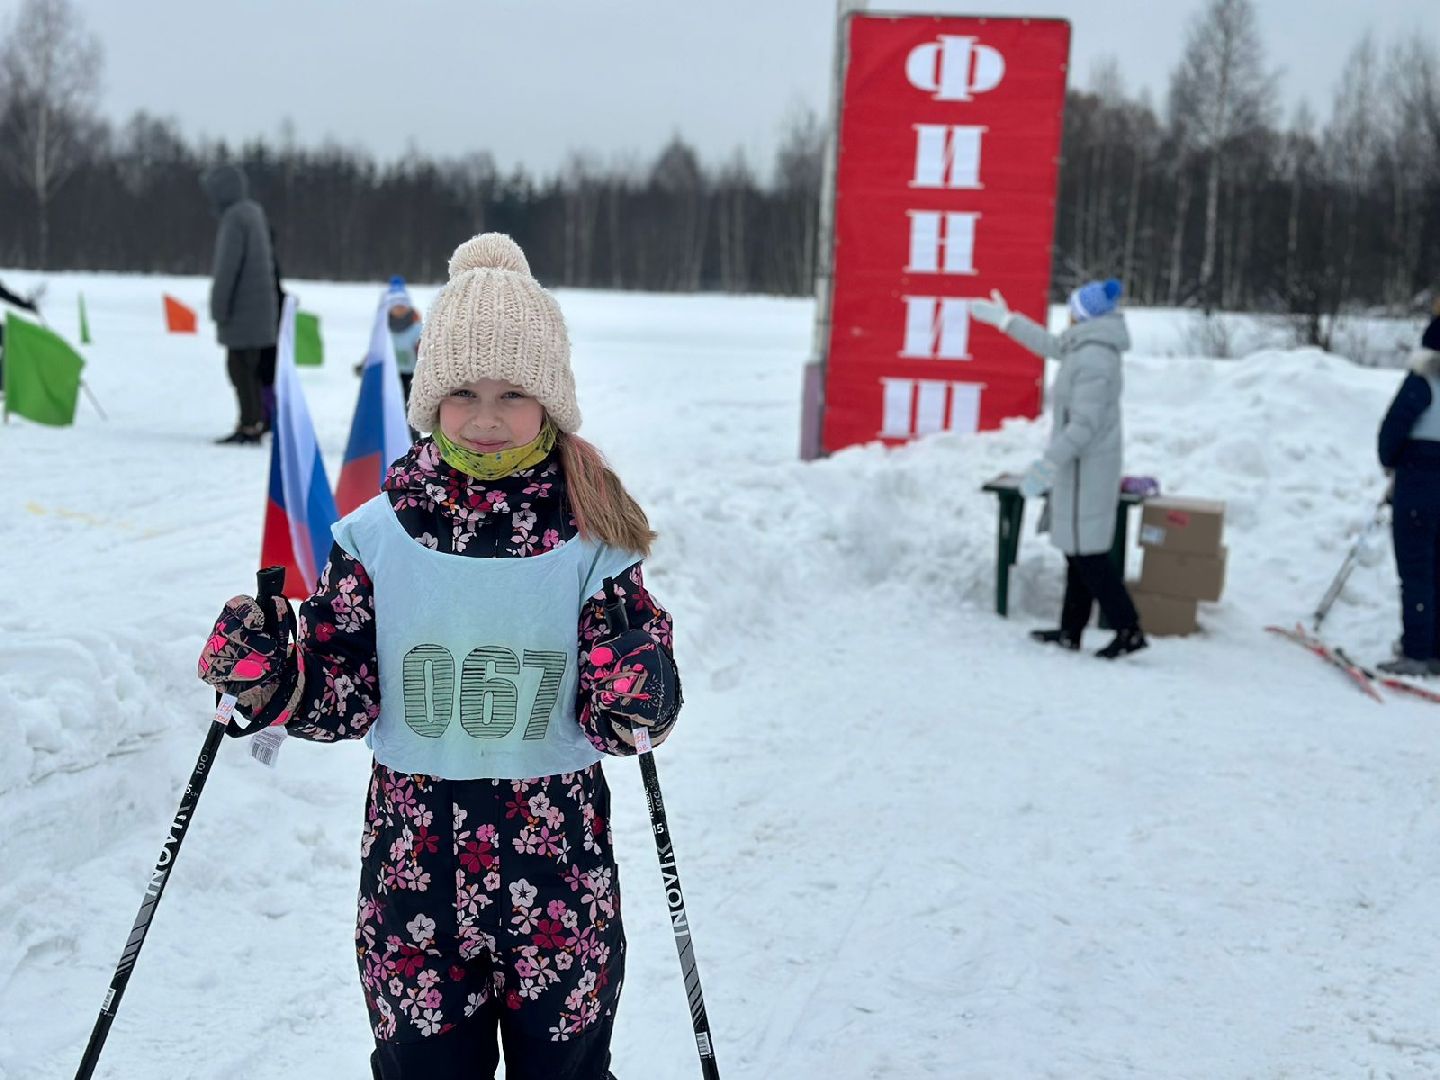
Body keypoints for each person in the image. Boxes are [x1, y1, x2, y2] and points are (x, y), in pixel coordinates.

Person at [196, 232, 682, 1079]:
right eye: (462, 392)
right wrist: (272, 674)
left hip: (558, 879)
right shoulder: (380, 534)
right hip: (412, 877)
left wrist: (637, 682)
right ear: (429, 396)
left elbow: (627, 716)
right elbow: (342, 686)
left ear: (551, 403)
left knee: (564, 1071)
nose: (486, 419)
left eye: (511, 394)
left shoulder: (592, 536)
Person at [972, 278, 1147, 659]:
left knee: (1089, 554)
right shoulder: (1084, 345)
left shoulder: (1096, 358)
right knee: (1076, 549)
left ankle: (1128, 628)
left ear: (1084, 314)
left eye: (1073, 309)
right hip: (1078, 468)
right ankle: (1071, 631)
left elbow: (1083, 426)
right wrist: (1006, 321)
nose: (1068, 315)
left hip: (1088, 469)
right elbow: (1051, 346)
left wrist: (1047, 466)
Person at [1376, 310, 1440, 676]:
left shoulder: (1421, 382)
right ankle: (1435, 649)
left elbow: (1392, 432)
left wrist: (1392, 463)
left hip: (1419, 482)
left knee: (1416, 570)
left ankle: (1415, 651)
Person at [201, 163, 279, 445]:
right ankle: (256, 420)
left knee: (239, 369)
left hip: (243, 311)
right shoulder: (253, 212)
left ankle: (249, 425)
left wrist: (218, 307)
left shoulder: (234, 218)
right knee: (250, 368)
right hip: (260, 310)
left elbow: (227, 268)